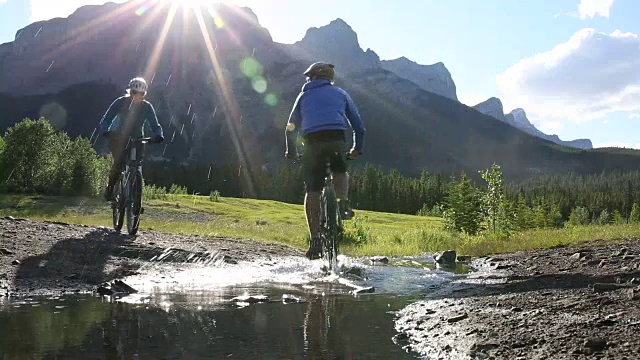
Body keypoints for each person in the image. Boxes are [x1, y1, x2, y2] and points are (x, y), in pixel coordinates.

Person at [284, 62, 366, 260]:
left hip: (312, 143)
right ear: (330, 77)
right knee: (340, 170)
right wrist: (357, 148)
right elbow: (359, 126)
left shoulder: (303, 96)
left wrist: (291, 151)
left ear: (311, 78)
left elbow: (291, 127)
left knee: (312, 191)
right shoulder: (341, 94)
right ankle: (343, 203)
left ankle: (314, 240)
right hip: (336, 138)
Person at [99, 77, 164, 201]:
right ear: (130, 92)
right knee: (118, 163)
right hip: (119, 137)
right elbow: (106, 119)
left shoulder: (147, 107)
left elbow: (155, 125)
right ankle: (111, 187)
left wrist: (158, 135)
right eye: (134, 93)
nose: (137, 96)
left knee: (136, 164)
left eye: (141, 94)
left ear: (144, 94)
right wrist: (106, 130)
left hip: (138, 138)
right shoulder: (120, 102)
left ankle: (135, 194)